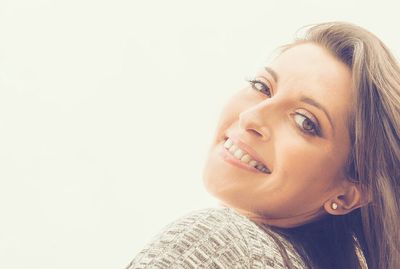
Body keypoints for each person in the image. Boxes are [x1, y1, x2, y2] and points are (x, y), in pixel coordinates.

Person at [125, 22, 400, 269]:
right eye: (262, 86)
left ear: (347, 195)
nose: (251, 117)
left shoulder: (216, 241)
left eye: (305, 121)